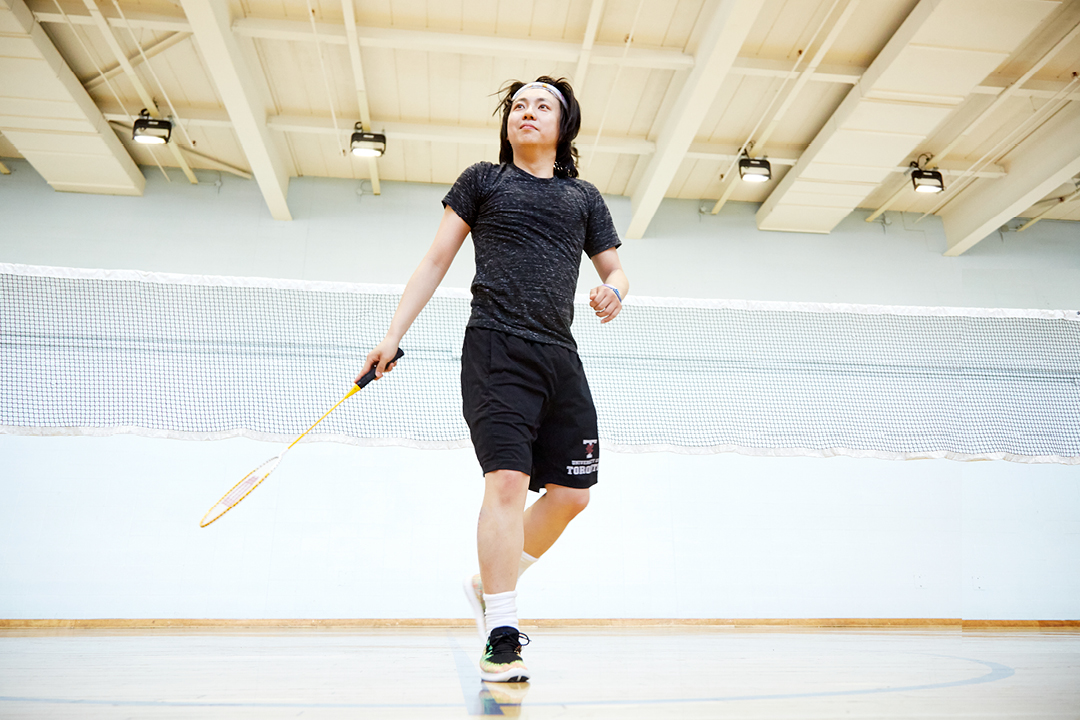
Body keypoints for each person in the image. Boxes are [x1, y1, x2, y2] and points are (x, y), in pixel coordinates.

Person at [360, 76, 628, 683]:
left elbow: (617, 270)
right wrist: (391, 335)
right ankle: (502, 634)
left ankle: (488, 584)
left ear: (565, 126)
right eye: (518, 105)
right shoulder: (484, 180)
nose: (526, 112)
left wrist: (612, 290)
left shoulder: (583, 198)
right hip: (496, 349)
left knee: (572, 496)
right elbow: (434, 260)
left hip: (561, 356)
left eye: (542, 105)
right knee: (507, 480)